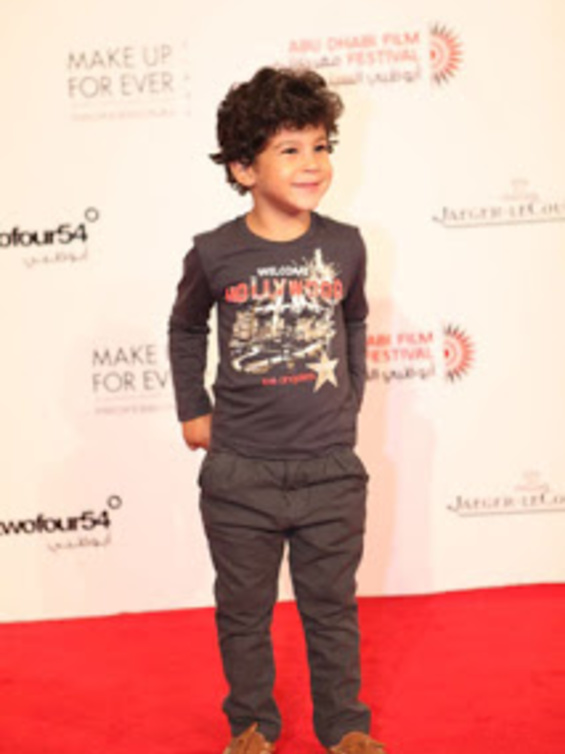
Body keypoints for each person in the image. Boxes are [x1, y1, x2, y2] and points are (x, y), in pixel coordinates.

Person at [168, 66, 384, 754]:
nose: (311, 163)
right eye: (289, 149)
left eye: (320, 146)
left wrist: (351, 395)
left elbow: (353, 321)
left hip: (329, 471)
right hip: (241, 472)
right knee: (243, 612)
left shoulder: (345, 245)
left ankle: (345, 727)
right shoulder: (214, 252)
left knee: (331, 609)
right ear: (243, 167)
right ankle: (252, 726)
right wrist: (192, 408)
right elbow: (185, 328)